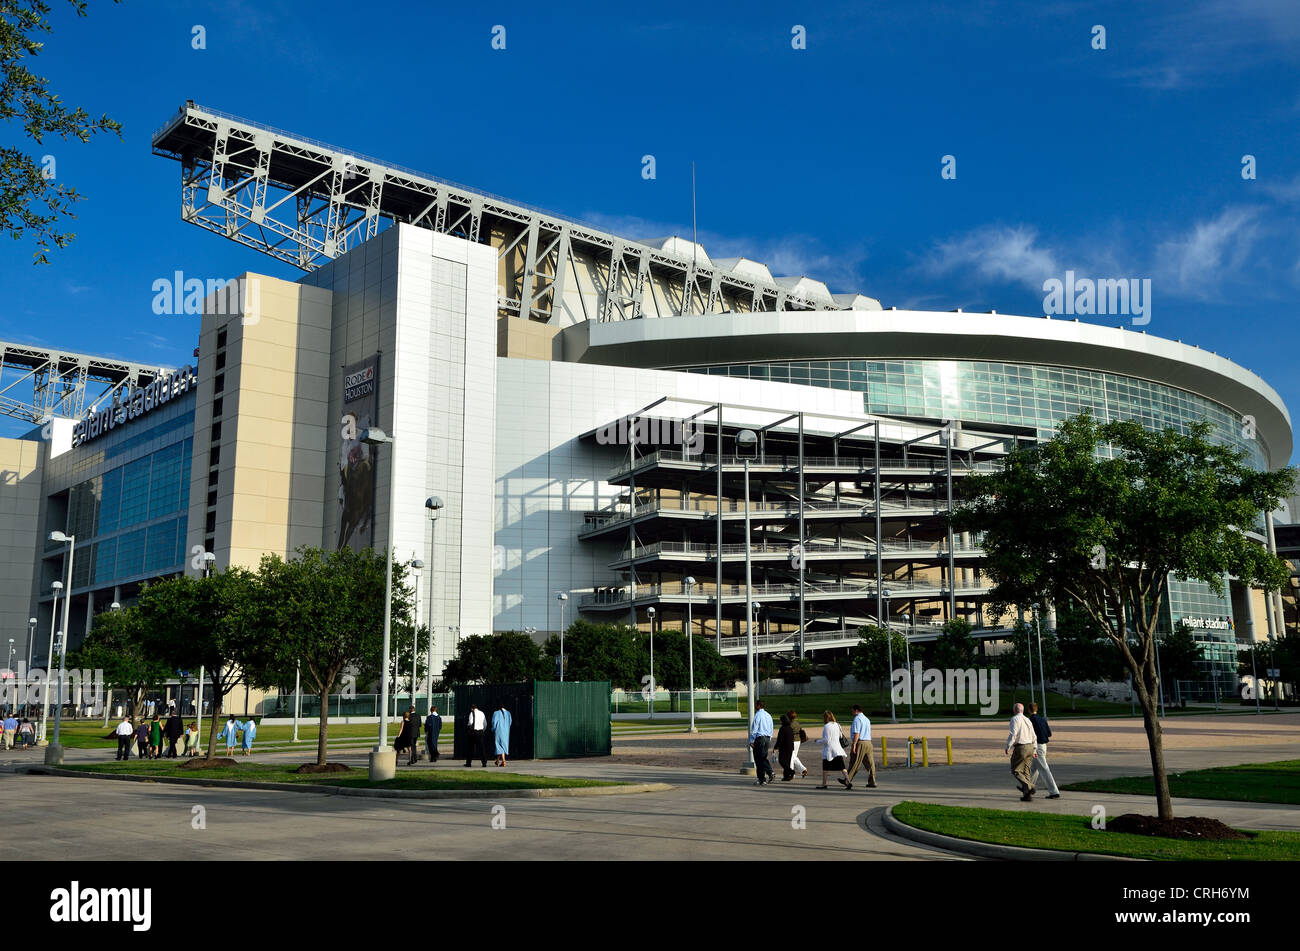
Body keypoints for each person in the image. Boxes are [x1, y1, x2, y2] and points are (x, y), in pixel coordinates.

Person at [1005, 702, 1039, 801]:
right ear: (1023, 710)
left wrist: (1008, 746)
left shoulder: (1014, 719)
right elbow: (1034, 735)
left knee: (1015, 770)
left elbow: (1013, 734)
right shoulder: (1028, 720)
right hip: (1030, 747)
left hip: (1021, 747)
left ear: (1015, 710)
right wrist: (1035, 749)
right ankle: (1027, 795)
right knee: (1026, 771)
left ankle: (1030, 786)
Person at [1027, 702, 1061, 799]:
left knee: (1044, 769)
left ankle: (1054, 791)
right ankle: (1028, 788)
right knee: (1034, 768)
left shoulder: (1030, 721)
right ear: (1036, 709)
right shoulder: (1042, 719)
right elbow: (1049, 733)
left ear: (1029, 710)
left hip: (1036, 747)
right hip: (1043, 746)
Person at [843, 702, 878, 790]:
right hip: (868, 742)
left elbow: (856, 733)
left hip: (860, 742)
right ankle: (872, 781)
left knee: (855, 762)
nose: (852, 713)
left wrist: (854, 744)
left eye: (852, 711)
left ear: (856, 710)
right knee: (870, 763)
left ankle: (847, 780)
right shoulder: (866, 719)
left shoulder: (857, 719)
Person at [816, 710, 848, 789]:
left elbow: (826, 740)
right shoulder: (837, 725)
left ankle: (824, 784)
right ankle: (848, 781)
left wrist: (818, 741)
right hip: (838, 749)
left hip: (829, 750)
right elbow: (840, 736)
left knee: (825, 768)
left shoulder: (827, 726)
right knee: (842, 767)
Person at [748, 699, 775, 786]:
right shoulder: (768, 715)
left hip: (760, 738)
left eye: (756, 705)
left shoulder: (758, 715)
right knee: (763, 757)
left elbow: (754, 729)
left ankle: (765, 776)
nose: (755, 706)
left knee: (759, 759)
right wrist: (769, 738)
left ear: (759, 706)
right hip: (767, 738)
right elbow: (771, 728)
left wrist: (751, 740)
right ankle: (765, 776)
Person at [774, 713, 795, 781]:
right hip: (790, 747)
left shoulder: (782, 728)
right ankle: (786, 776)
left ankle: (791, 771)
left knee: (781, 761)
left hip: (784, 747)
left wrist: (776, 747)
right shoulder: (790, 728)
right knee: (787, 762)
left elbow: (779, 739)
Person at [788, 710, 808, 779]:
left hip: (792, 741)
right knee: (793, 757)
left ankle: (791, 774)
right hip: (798, 741)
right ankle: (803, 770)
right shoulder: (797, 723)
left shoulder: (790, 724)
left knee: (790, 758)